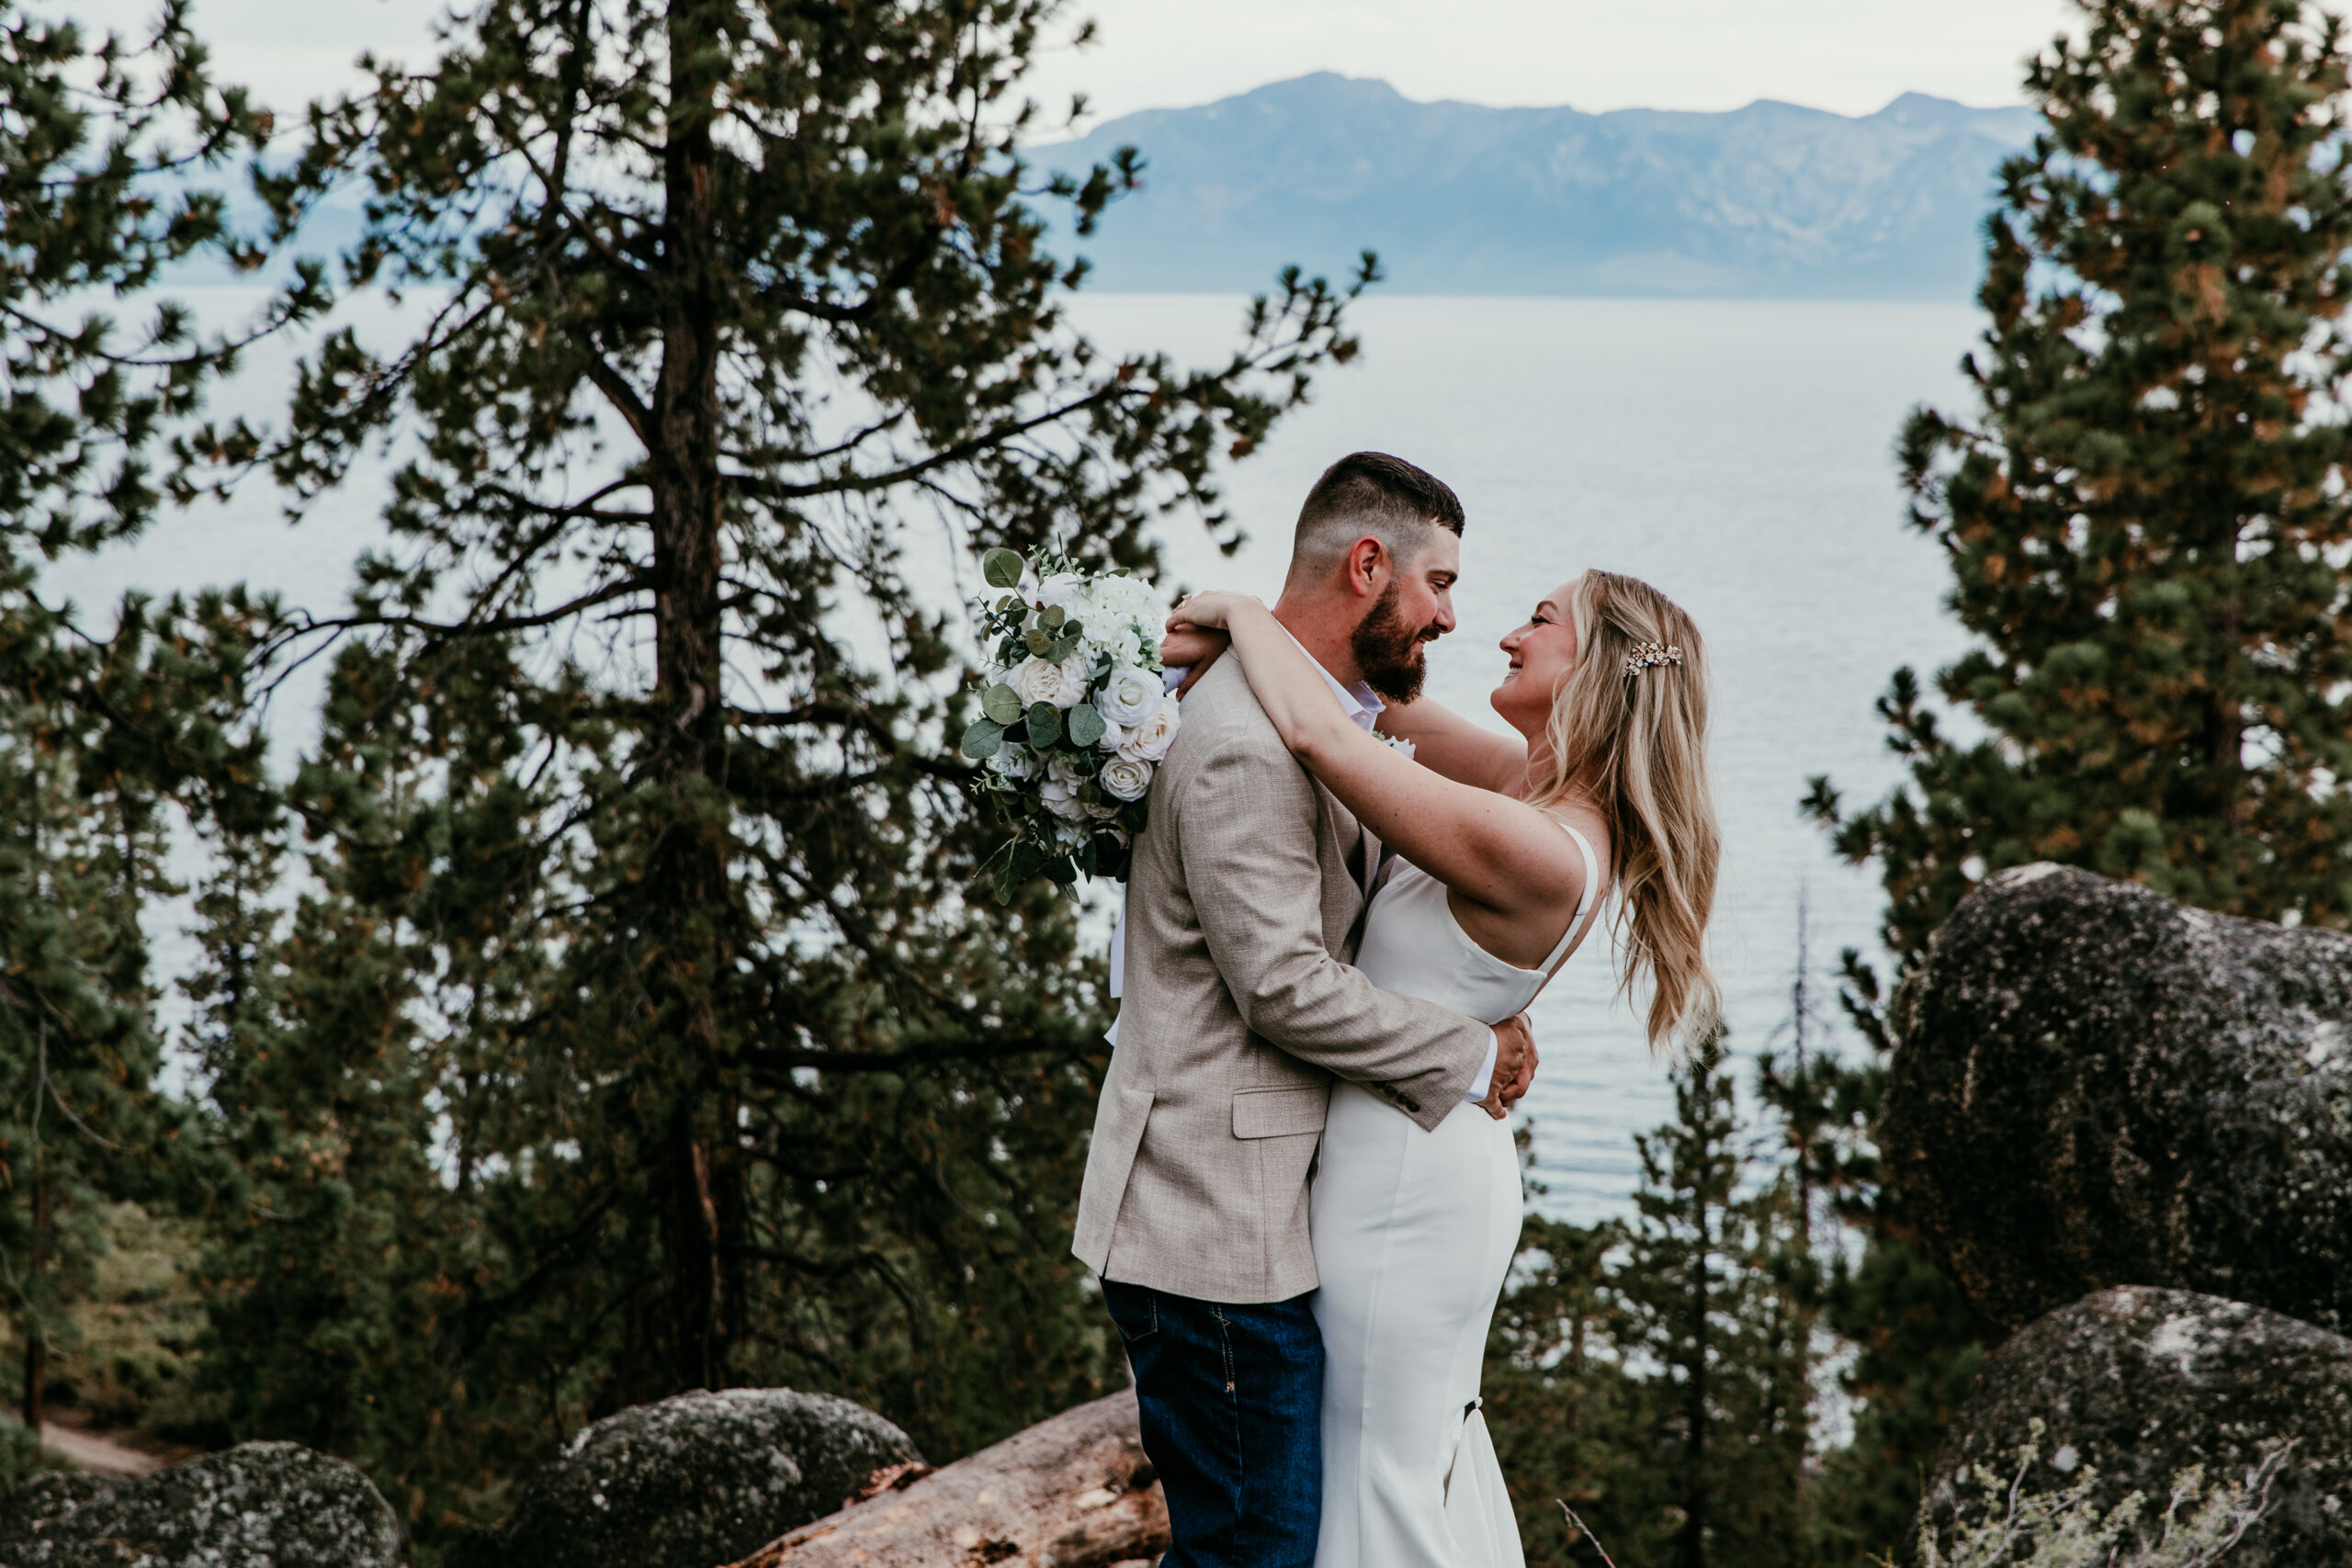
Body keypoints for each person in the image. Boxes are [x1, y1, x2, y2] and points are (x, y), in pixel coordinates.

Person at [1162, 561, 1721, 1568]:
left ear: (1593, 665)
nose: (1506, 636)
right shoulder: (1526, 791)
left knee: (1377, 1473)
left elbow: (1324, 737)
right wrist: (1202, 654)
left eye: (1541, 622)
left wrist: (1243, 611)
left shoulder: (1539, 844)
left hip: (1407, 1184)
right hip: (1408, 1148)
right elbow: (1368, 708)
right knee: (1383, 1465)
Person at [1071, 453, 1539, 1568]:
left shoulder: (1330, 716)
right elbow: (1282, 987)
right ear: (1367, 566)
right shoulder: (1243, 744)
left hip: (1253, 1215)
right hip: (1209, 1230)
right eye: (1437, 585)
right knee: (1254, 1551)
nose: (1450, 616)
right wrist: (1469, 1054)